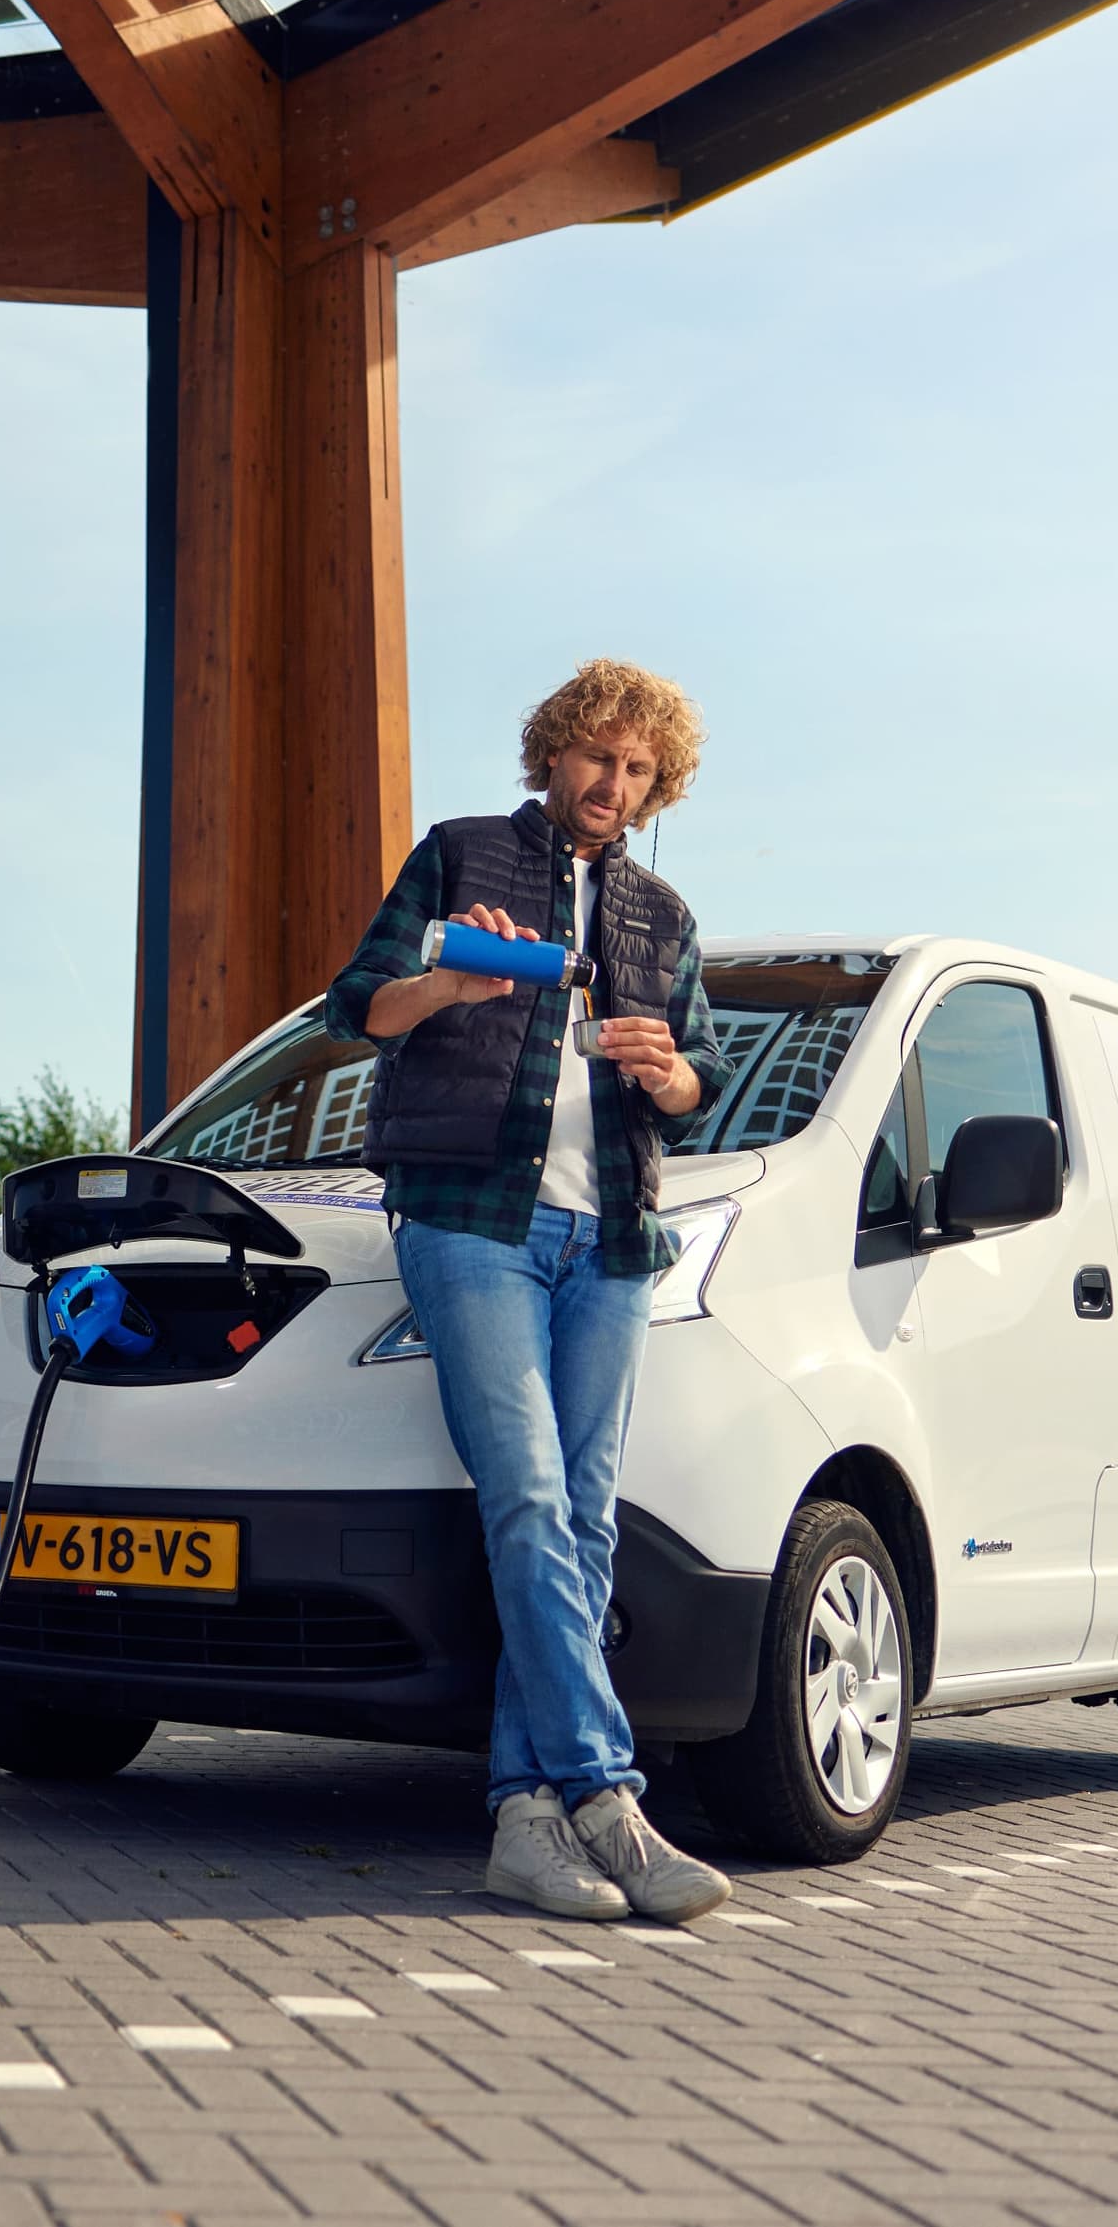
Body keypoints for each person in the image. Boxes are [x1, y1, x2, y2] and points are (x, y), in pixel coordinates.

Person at [323, 658, 739, 1923]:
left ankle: (523, 1815)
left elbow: (704, 1073)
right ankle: (608, 1793)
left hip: (609, 1232)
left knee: (588, 1518)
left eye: (637, 770)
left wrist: (668, 1071)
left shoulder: (661, 916)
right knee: (530, 1496)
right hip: (471, 1219)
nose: (613, 784)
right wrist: (452, 982)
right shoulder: (457, 855)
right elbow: (357, 1007)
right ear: (553, 753)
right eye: (596, 757)